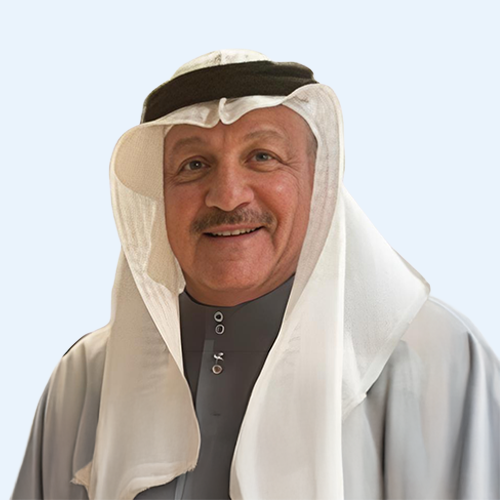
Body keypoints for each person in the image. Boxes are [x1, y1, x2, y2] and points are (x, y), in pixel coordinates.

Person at [11, 49, 500, 500]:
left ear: (320, 183)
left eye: (262, 157)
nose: (227, 196)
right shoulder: (85, 378)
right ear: (159, 198)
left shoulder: (431, 360)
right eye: (193, 164)